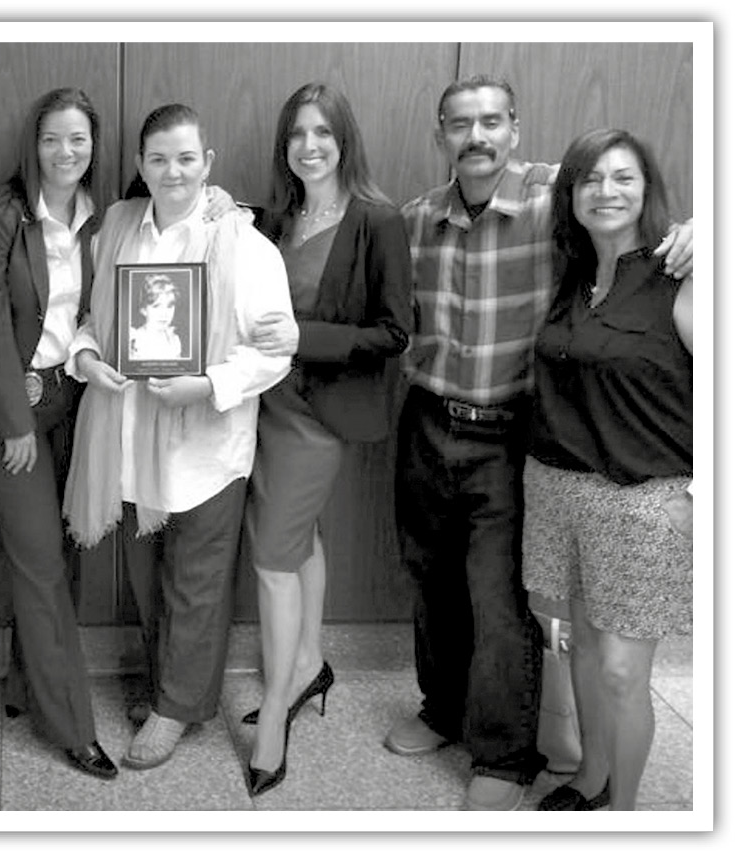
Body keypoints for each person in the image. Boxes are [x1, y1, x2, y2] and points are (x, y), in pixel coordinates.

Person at [390, 75, 693, 810]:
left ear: (516, 129)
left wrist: (709, 229)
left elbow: (628, 200)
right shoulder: (415, 216)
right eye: (460, 125)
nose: (477, 137)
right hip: (429, 419)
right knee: (431, 584)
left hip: (510, 431)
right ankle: (445, 711)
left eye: (492, 121)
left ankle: (503, 754)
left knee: (499, 602)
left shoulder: (557, 196)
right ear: (441, 136)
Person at [63, 103, 295, 772]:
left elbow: (273, 351)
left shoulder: (243, 243)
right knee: (148, 579)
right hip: (133, 442)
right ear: (140, 165)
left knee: (196, 583)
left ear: (208, 164)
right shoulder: (117, 230)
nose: (173, 171)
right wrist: (84, 358)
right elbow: (91, 322)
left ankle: (177, 706)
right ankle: (174, 687)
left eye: (186, 158)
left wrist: (209, 383)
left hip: (206, 442)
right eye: (159, 159)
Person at [238, 82, 412, 796]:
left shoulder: (378, 220)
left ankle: (275, 705)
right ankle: (308, 661)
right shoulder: (275, 219)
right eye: (296, 134)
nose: (309, 146)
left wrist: (306, 336)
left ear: (345, 140)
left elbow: (395, 333)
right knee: (300, 537)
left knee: (274, 553)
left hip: (318, 416)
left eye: (322, 133)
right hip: (259, 405)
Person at [523, 129, 692, 811]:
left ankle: (623, 814)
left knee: (624, 670)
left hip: (643, 499)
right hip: (558, 488)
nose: (606, 191)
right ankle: (590, 779)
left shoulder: (683, 274)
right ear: (571, 194)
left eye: (623, 177)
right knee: (584, 651)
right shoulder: (570, 277)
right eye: (590, 178)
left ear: (648, 190)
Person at [0, 87, 118, 779]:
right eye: (53, 138)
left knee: (67, 552)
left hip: (71, 396)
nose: (66, 152)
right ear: (33, 142)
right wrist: (15, 421)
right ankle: (71, 725)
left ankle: (28, 684)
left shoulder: (101, 215)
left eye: (78, 138)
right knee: (40, 561)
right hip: (8, 410)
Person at [128, 274, 184, 361]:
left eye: (169, 306)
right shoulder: (134, 340)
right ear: (143, 309)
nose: (164, 314)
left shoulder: (174, 340)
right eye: (156, 306)